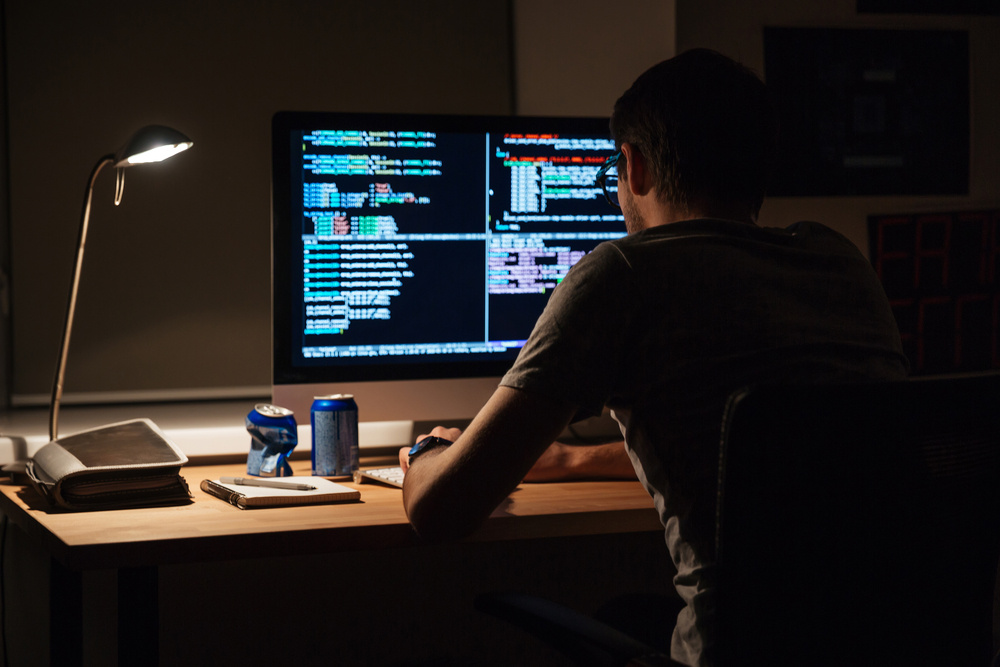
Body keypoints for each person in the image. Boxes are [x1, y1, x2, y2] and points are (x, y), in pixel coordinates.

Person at [399, 48, 909, 666]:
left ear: (634, 167)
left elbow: (440, 511)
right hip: (890, 643)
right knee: (625, 616)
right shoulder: (841, 262)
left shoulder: (624, 274)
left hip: (732, 653)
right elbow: (752, 445)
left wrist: (431, 454)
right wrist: (568, 459)